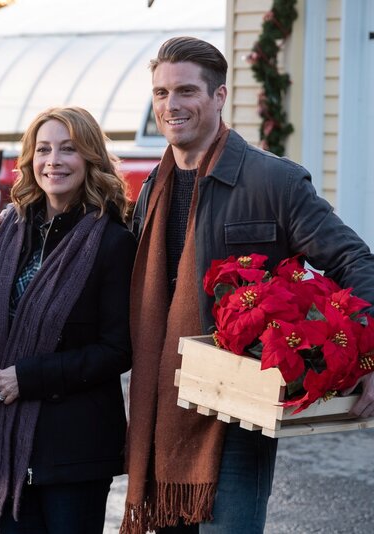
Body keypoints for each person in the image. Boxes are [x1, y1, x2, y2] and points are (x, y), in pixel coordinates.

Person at [121, 36, 374, 534]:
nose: (171, 105)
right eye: (161, 93)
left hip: (239, 414)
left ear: (219, 96)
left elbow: (355, 261)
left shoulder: (273, 181)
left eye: (186, 91)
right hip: (165, 411)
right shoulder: (152, 189)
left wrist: (370, 354)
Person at [0, 106, 136, 534]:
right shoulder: (12, 230)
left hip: (74, 448)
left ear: (90, 158)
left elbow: (118, 350)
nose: (53, 161)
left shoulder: (113, 241)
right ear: (30, 159)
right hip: (5, 444)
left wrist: (30, 377)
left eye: (68, 149)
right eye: (43, 149)